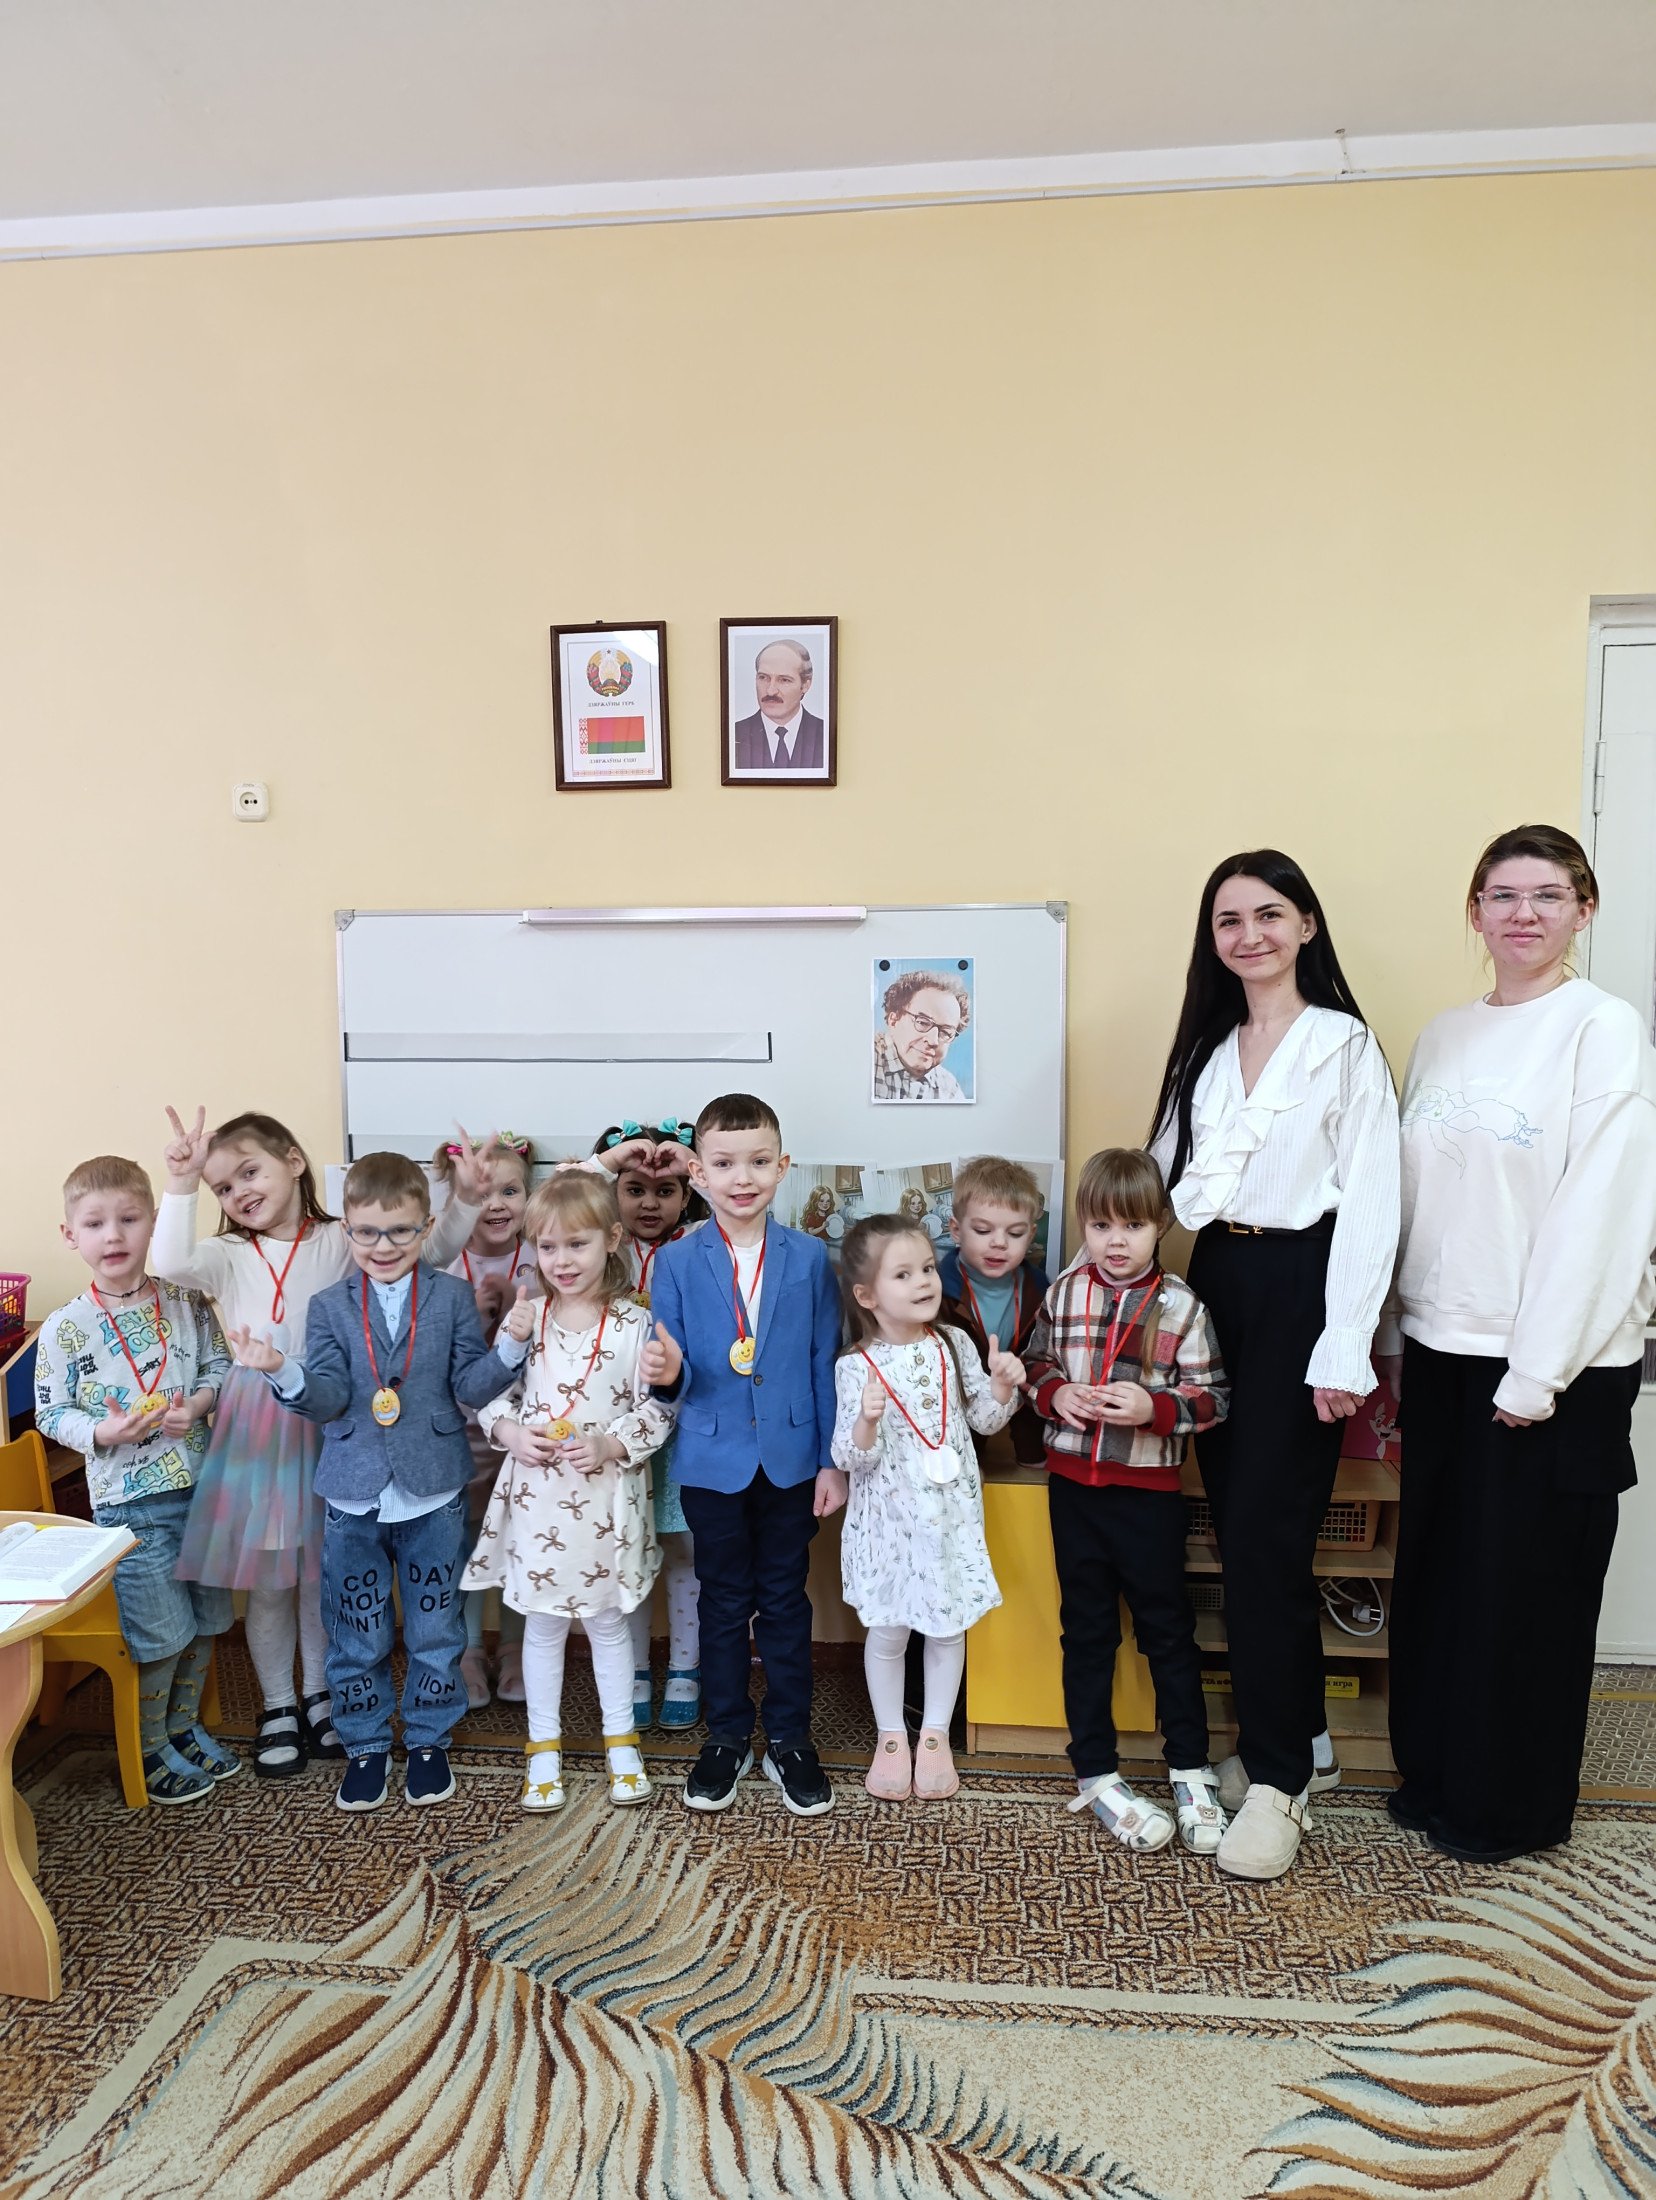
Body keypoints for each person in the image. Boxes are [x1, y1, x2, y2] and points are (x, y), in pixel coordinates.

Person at [1381, 824, 1656, 1863]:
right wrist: (1393, 1340)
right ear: (1475, 911)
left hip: (1556, 1363)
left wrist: (1537, 1370)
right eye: (1503, 895)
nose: (1524, 913)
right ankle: (1437, 1777)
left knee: (1527, 1596)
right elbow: (1416, 1200)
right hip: (1442, 1348)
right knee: (1443, 1581)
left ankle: (1509, 1810)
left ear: (1584, 909)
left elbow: (1604, 1210)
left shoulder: (1603, 1028)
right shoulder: (1445, 1034)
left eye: (1548, 894)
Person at [1148, 851, 1399, 1880]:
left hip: (1306, 1287)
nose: (1248, 934)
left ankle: (1282, 1778)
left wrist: (1345, 1343)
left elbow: (1373, 1201)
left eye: (1268, 914)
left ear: (1305, 925)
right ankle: (1304, 1742)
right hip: (1217, 1283)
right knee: (1240, 1530)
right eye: (1229, 920)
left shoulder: (1344, 1046)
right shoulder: (1206, 1051)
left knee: (1266, 1541)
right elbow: (1157, 1182)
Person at [157, 1107, 496, 1779]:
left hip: (349, 1424)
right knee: (271, 1580)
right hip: (264, 1425)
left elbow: (428, 1251)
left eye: (249, 1172)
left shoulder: (344, 1236)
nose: (239, 1192)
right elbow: (168, 1260)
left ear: (293, 1161)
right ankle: (278, 1705)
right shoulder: (227, 1255)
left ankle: (321, 1697)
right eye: (224, 1187)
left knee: (329, 1575)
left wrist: (465, 1199)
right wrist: (182, 1181)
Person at [224, 1150, 524, 1812]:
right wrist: (281, 1369)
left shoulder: (450, 1296)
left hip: (434, 1490)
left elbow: (471, 1385)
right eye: (366, 1232)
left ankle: (428, 1739)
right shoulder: (329, 1306)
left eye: (399, 1232)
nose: (382, 1246)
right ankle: (364, 1744)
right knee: (355, 1630)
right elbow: (330, 1397)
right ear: (348, 1229)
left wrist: (509, 1347)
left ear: (425, 1228)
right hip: (352, 1491)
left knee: (436, 1629)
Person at [1023, 1150, 1230, 1856]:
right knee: (1086, 1634)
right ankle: (1096, 1769)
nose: (1116, 1241)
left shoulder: (1183, 1306)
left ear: (1160, 1225)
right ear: (1083, 1224)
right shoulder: (1063, 1293)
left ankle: (1190, 1769)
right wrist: (1055, 1394)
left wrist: (1154, 1407)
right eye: (1101, 1225)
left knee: (1166, 1632)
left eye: (1133, 1226)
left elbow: (1215, 1399)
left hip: (1149, 1497)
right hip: (1073, 1494)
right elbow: (1036, 1364)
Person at [644, 1092, 846, 1816]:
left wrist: (831, 1460)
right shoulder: (674, 1262)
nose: (743, 1178)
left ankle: (790, 1737)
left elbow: (824, 1361)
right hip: (711, 1461)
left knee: (785, 1601)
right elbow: (671, 1373)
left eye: (759, 1162)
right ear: (698, 1173)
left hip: (792, 1458)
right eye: (725, 1164)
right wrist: (667, 1377)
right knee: (722, 1602)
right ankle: (726, 1736)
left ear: (782, 1167)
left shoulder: (811, 1257)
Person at [463, 1171, 674, 1811]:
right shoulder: (527, 1321)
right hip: (539, 1501)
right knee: (544, 1627)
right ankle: (543, 1749)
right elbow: (490, 1395)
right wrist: (509, 1431)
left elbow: (660, 1409)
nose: (562, 1261)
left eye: (577, 1244)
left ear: (611, 1239)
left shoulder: (635, 1324)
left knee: (609, 1626)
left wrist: (612, 1444)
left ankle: (621, 1744)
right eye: (548, 1247)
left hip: (607, 1501)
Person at [34, 1157, 237, 1805]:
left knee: (206, 1622)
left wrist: (197, 1405)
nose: (113, 1235)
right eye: (95, 1224)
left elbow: (220, 1367)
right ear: (70, 1235)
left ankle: (182, 1731)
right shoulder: (65, 1328)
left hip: (202, 1492)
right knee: (162, 1635)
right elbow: (49, 1413)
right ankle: (150, 1750)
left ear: (153, 1222)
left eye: (128, 1219)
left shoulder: (186, 1301)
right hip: (130, 1506)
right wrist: (103, 1431)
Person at [832, 1214, 1023, 1801]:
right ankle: (892, 1736)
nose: (923, 1282)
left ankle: (935, 1735)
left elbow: (983, 1420)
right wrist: (866, 1422)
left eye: (927, 1269)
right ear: (867, 1295)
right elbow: (849, 1457)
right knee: (888, 1631)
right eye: (903, 1274)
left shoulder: (954, 1345)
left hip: (949, 1521)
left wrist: (1001, 1387)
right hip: (888, 1527)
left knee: (947, 1629)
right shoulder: (854, 1366)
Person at [588, 1118, 708, 1733]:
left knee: (685, 1549)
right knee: (627, 1547)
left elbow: (738, 1206)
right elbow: (557, 1205)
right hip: (616, 1425)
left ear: (688, 1193)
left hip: (684, 1423)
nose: (650, 1203)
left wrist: (693, 1162)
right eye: (634, 1189)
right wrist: (606, 1165)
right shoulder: (597, 1245)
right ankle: (632, 1669)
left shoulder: (704, 1243)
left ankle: (686, 1665)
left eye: (666, 1190)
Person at [431, 1133, 537, 1711]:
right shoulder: (441, 1264)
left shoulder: (545, 1254)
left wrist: (523, 1308)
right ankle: (470, 1649)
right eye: (481, 1193)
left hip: (529, 1424)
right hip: (460, 1425)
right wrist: (469, 1319)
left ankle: (516, 1648)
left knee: (522, 1534)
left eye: (510, 1191)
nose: (496, 1204)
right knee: (465, 1537)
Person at [937, 1155, 1051, 1467]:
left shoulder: (1041, 1289)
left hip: (1022, 1403)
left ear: (1030, 1235)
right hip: (959, 1418)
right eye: (983, 1230)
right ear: (956, 1230)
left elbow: (1041, 1364)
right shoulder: (936, 1291)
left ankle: (1029, 1448)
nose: (999, 1243)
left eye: (1015, 1234)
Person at [872, 969, 971, 1103]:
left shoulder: (949, 1089)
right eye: (923, 1023)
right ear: (893, 1020)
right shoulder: (865, 1061)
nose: (933, 1041)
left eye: (946, 1032)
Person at [731, 639, 825, 771]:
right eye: (763, 677)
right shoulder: (734, 735)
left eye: (784, 680)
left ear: (805, 685)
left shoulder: (825, 734)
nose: (771, 691)